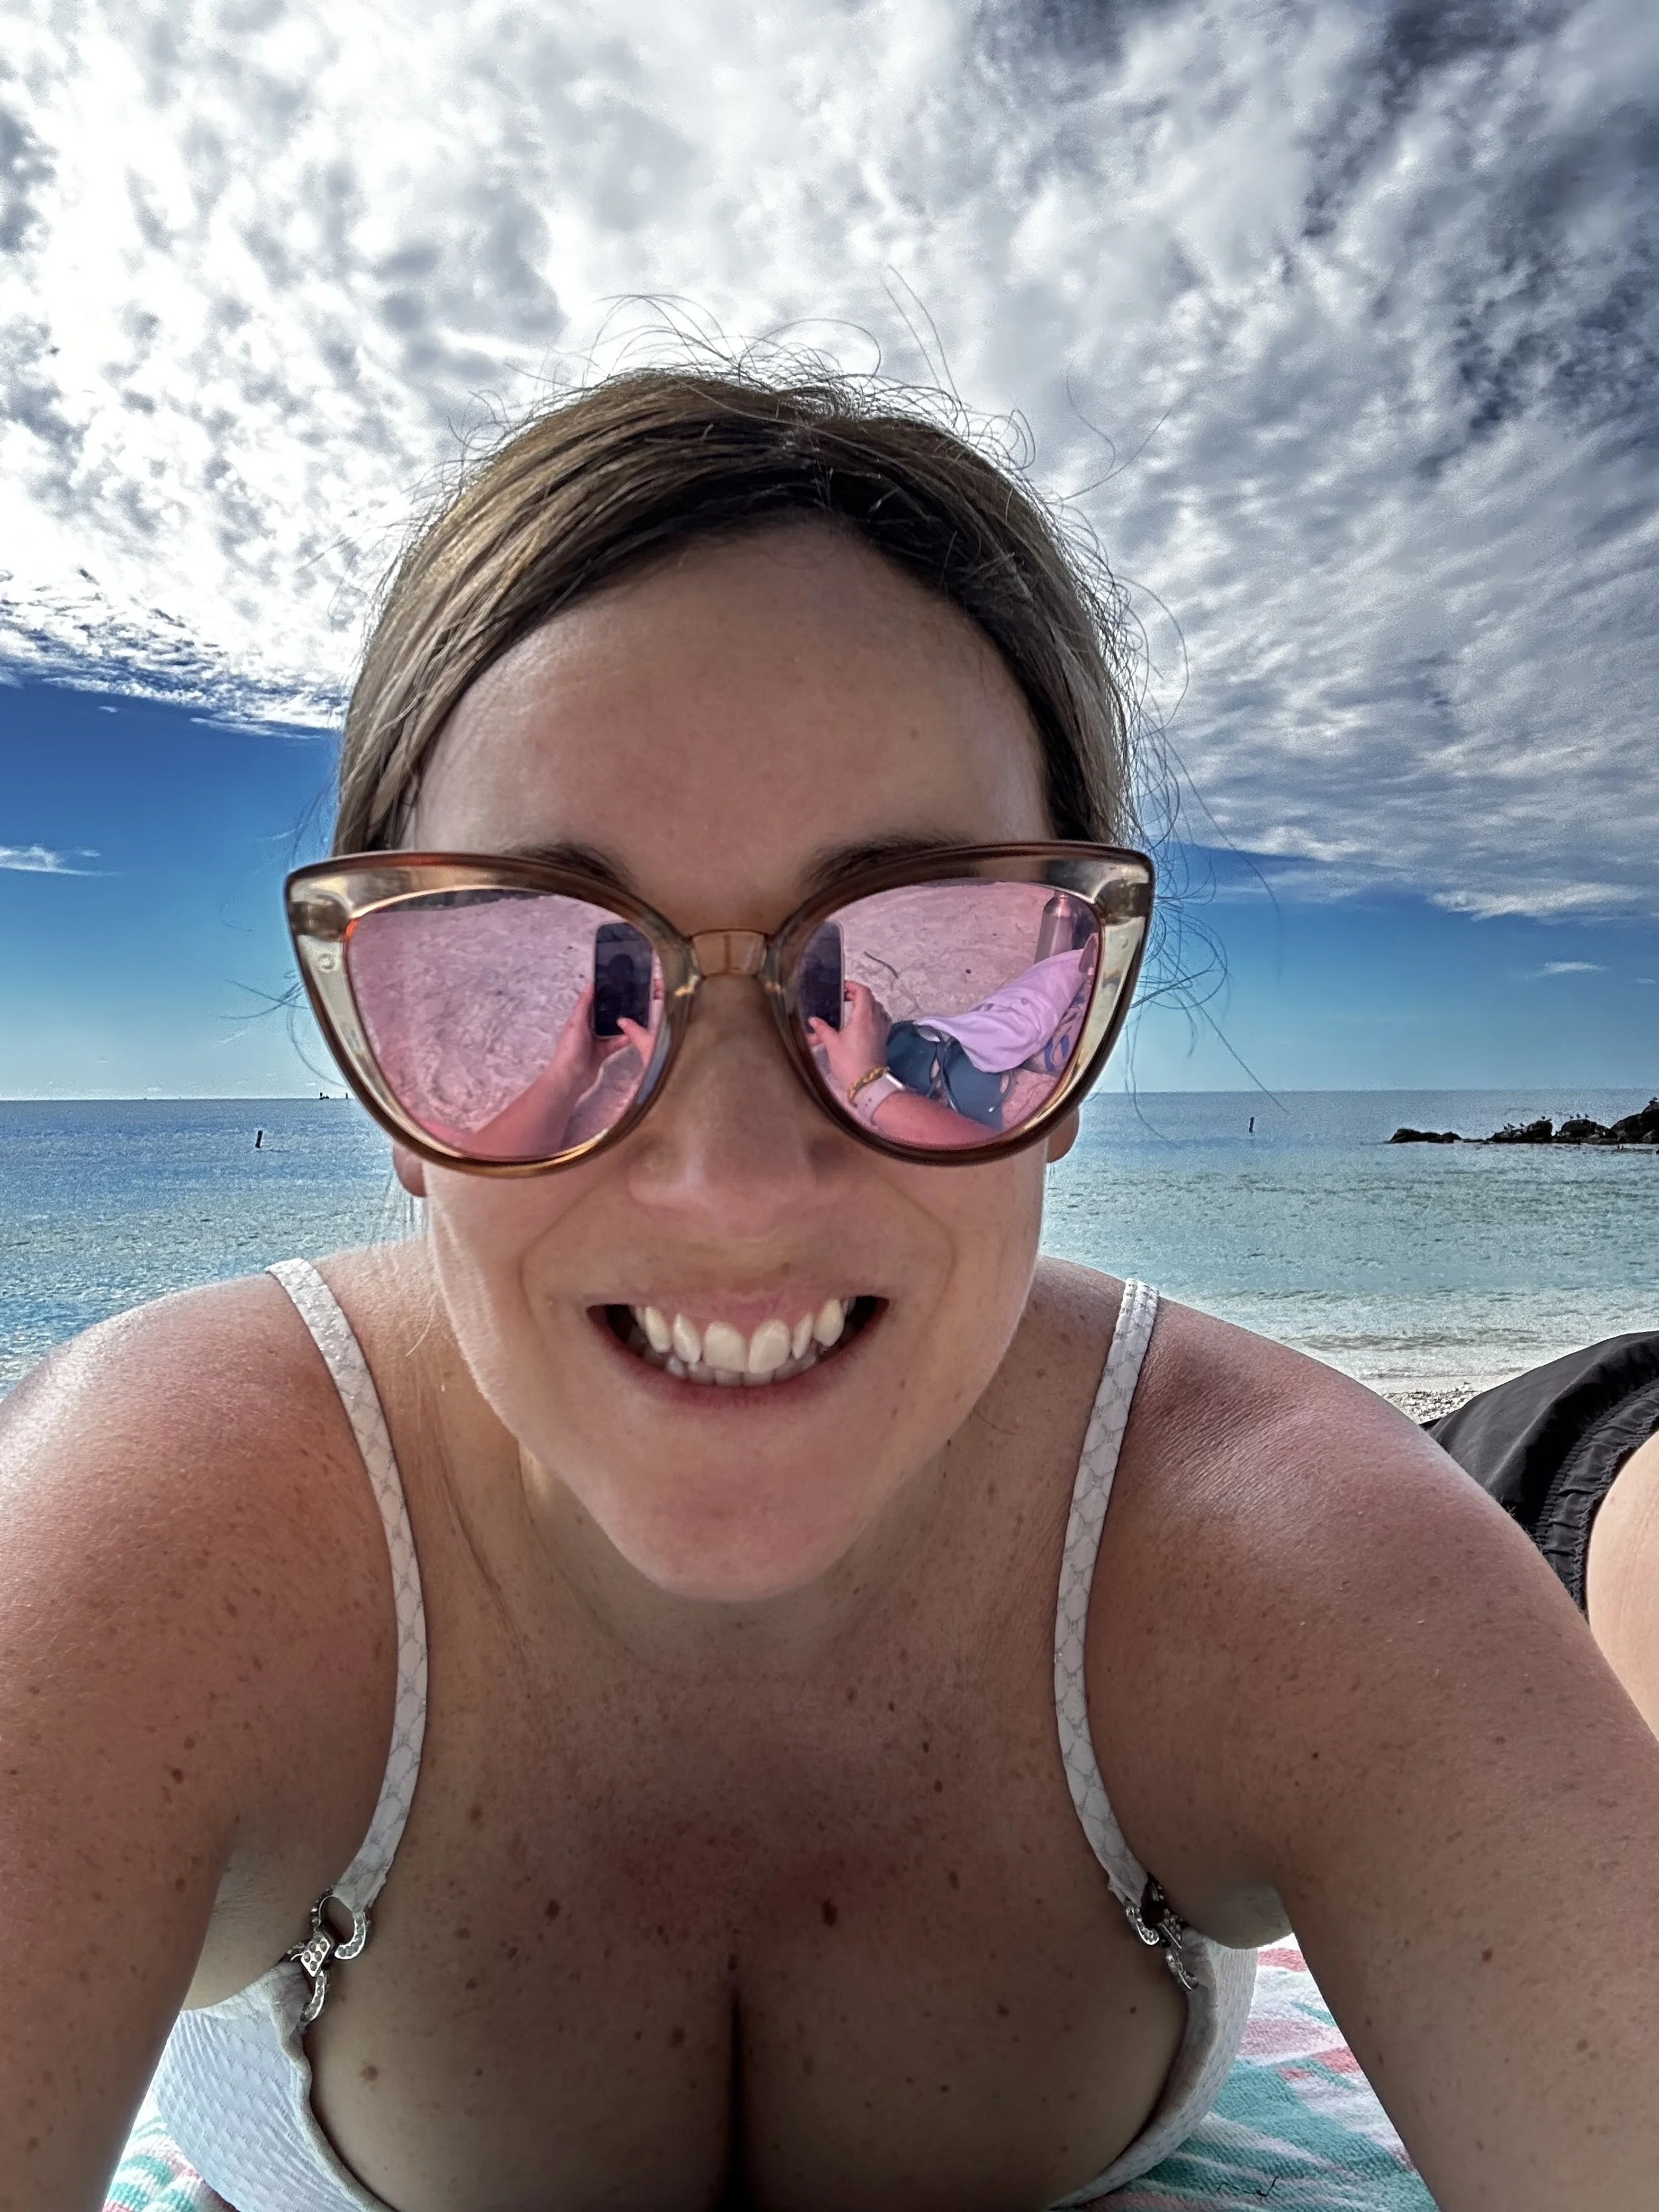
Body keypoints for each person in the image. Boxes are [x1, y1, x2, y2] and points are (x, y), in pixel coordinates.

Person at [5, 367, 1659, 2212]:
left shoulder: (1294, 1557)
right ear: (387, 1074)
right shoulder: (161, 1532)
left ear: (1077, 1047)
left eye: (933, 974)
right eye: (529, 983)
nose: (727, 1184)